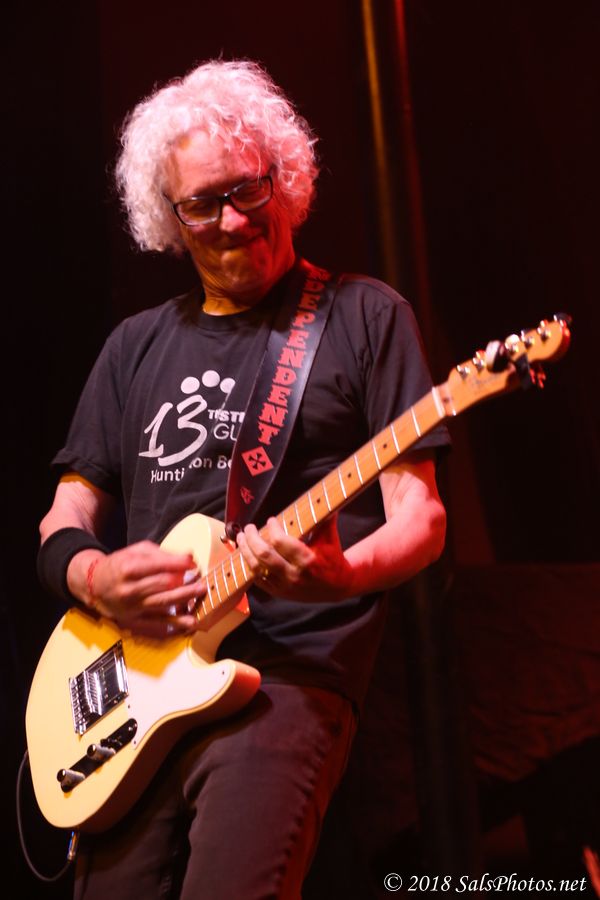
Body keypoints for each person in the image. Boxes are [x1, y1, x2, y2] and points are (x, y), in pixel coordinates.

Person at [37, 59, 449, 900]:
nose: (231, 220)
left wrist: (344, 573)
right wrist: (95, 577)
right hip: (135, 688)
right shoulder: (133, 346)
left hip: (285, 677)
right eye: (201, 204)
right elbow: (64, 513)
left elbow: (421, 516)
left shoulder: (365, 316)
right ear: (170, 217)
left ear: (282, 180)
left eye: (247, 190)